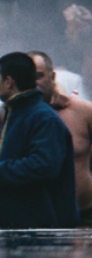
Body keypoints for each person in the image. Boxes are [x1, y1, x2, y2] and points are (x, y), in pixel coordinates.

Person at [0, 52, 78, 228]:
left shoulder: (43, 118)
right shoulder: (14, 112)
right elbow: (12, 158)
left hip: (41, 231)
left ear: (9, 82)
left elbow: (42, 167)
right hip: (16, 227)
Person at [29, 51, 92, 224]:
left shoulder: (83, 111)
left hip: (85, 213)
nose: (35, 82)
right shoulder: (11, 116)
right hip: (38, 217)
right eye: (29, 77)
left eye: (40, 76)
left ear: (52, 76)